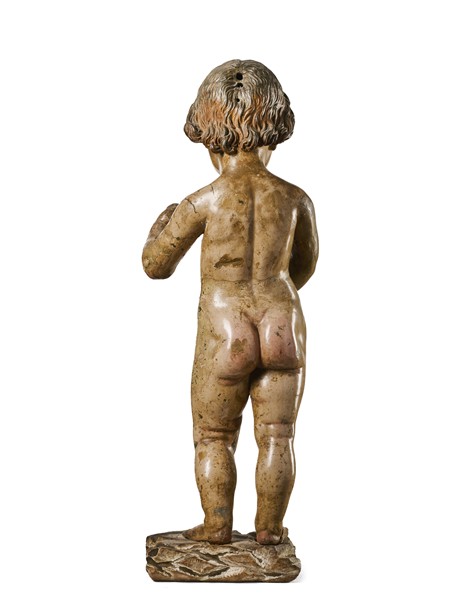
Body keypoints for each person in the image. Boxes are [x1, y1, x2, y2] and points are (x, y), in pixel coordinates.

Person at [142, 59, 318, 545]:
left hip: (225, 326)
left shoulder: (202, 201)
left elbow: (156, 265)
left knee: (214, 436)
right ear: (274, 130)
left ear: (209, 133)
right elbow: (304, 267)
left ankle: (217, 525)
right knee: (278, 435)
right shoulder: (295, 199)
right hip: (283, 320)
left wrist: (159, 226)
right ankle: (270, 532)